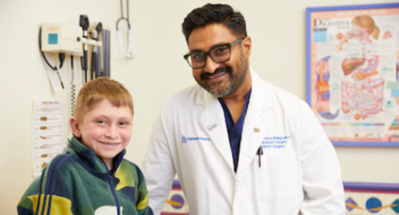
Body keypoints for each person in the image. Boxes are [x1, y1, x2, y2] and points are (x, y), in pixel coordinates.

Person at [143, 3, 345, 215]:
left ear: (246, 47)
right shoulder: (174, 111)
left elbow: (327, 203)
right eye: (198, 56)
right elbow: (148, 197)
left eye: (220, 51)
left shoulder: (294, 113)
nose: (210, 67)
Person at [18, 77, 153, 215]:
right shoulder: (63, 170)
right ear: (76, 127)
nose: (112, 134)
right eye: (101, 122)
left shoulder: (133, 173)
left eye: (122, 123)